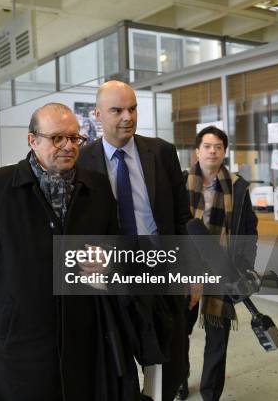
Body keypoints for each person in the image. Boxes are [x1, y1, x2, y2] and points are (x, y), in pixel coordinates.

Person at [0, 102, 143, 400]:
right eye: (57, 138)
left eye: (75, 138)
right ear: (32, 140)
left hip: (84, 338)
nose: (68, 146)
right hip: (17, 345)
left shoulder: (97, 187)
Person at [78, 80, 194, 401]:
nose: (128, 117)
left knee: (168, 369)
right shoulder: (82, 162)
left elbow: (182, 219)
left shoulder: (161, 152)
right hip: (113, 284)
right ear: (98, 114)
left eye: (132, 108)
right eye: (117, 110)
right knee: (119, 370)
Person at [178, 126, 258, 401]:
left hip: (221, 267)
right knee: (179, 331)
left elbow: (249, 229)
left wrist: (245, 265)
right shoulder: (179, 183)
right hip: (185, 268)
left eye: (218, 147)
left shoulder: (237, 186)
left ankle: (210, 392)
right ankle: (179, 378)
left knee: (217, 336)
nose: (213, 151)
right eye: (208, 146)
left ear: (224, 152)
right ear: (197, 151)